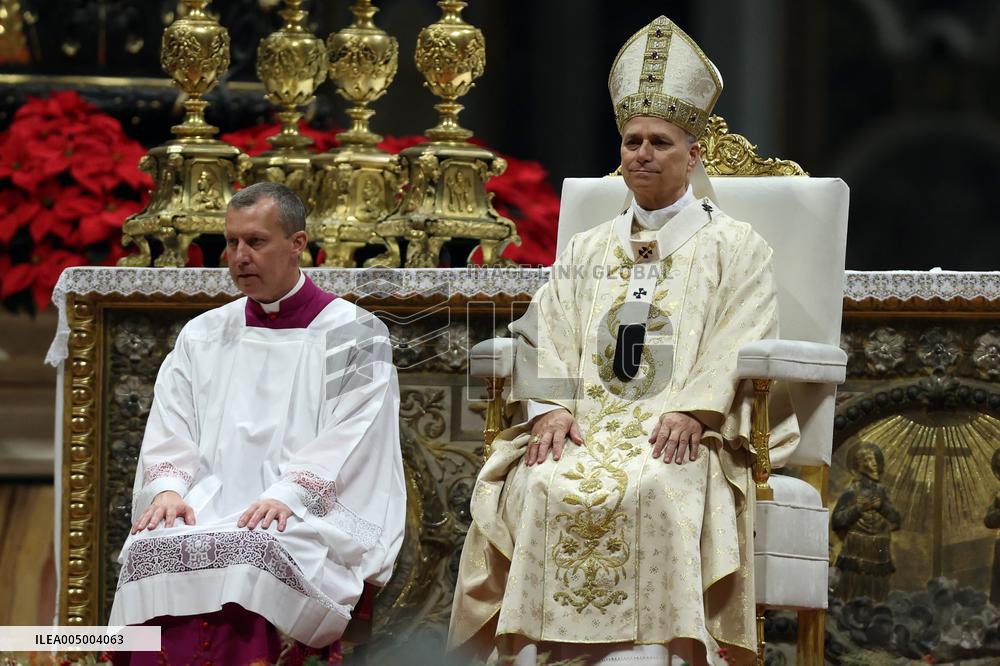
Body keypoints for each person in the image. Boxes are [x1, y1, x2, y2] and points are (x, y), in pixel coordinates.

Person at [448, 16, 798, 666]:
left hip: (679, 431)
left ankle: (653, 656)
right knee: (541, 485)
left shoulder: (734, 246)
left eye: (659, 142)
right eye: (632, 140)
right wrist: (550, 406)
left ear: (692, 155)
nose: (641, 153)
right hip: (585, 426)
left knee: (655, 489)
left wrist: (695, 409)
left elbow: (742, 333)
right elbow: (546, 330)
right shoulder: (589, 246)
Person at [109, 181, 406, 664]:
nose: (240, 256)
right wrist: (166, 489)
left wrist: (288, 495)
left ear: (297, 244)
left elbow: (354, 438)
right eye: (231, 243)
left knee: (258, 551)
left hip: (305, 509)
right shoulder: (204, 333)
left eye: (256, 241)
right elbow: (172, 422)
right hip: (207, 500)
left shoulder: (354, 334)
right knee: (152, 546)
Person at [832, 441, 901, 602]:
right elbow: (837, 521)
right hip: (857, 550)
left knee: (877, 589)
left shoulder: (881, 491)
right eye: (870, 460)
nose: (875, 464)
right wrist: (858, 508)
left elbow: (896, 518)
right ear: (859, 465)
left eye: (876, 460)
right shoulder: (852, 491)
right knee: (855, 588)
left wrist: (882, 506)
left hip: (878, 551)